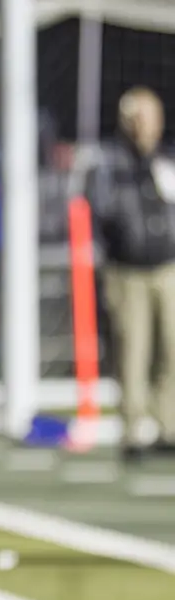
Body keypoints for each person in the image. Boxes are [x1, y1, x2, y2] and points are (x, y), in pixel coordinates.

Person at [91, 87, 175, 457]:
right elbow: (101, 208)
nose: (146, 127)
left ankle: (166, 423)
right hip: (126, 269)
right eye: (139, 119)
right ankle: (134, 428)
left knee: (170, 349)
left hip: (167, 267)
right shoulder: (109, 162)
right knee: (132, 349)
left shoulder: (166, 160)